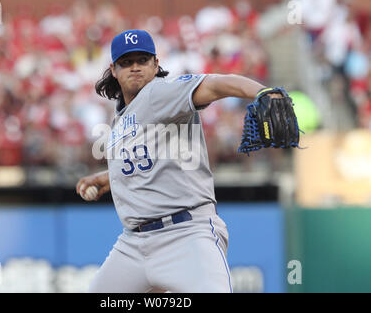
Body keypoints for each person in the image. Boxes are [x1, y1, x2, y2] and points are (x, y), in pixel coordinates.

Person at [76, 29, 280, 293]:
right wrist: (108, 177)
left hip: (186, 235)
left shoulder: (161, 93)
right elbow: (151, 162)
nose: (135, 68)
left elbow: (216, 84)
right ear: (114, 69)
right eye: (127, 62)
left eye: (142, 60)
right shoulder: (121, 118)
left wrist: (263, 93)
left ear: (156, 64)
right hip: (134, 245)